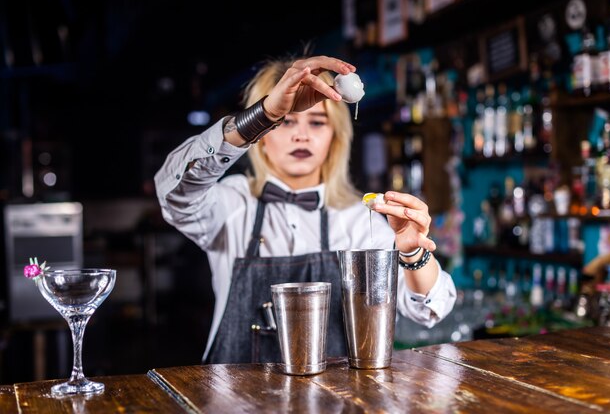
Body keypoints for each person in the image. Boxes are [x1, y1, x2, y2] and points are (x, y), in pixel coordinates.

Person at [154, 54, 457, 364]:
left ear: (334, 136)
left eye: (317, 121)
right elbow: (171, 189)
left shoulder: (356, 219)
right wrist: (261, 114)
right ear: (259, 138)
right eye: (284, 121)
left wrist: (412, 253)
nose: (302, 134)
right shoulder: (231, 203)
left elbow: (429, 309)